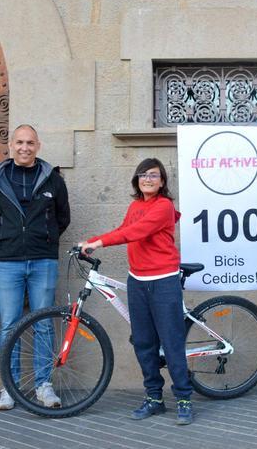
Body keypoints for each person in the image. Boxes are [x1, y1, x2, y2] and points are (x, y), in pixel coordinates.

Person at [78, 158, 194, 425]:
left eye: (154, 175)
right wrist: (93, 241)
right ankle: (154, 397)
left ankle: (184, 399)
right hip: (137, 281)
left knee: (171, 342)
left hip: (163, 281)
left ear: (162, 181)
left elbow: (138, 231)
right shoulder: (135, 205)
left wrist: (99, 243)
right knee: (143, 343)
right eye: (143, 175)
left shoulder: (164, 206)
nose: (148, 179)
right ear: (136, 180)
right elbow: (124, 230)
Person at [0, 124, 70, 411]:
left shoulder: (53, 180)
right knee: (10, 326)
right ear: (11, 144)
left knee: (43, 323)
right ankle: (11, 386)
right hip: (8, 262)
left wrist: (43, 238)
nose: (24, 148)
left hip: (43, 260)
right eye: (19, 142)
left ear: (38, 146)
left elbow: (62, 218)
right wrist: (9, 238)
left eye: (30, 142)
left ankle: (43, 385)